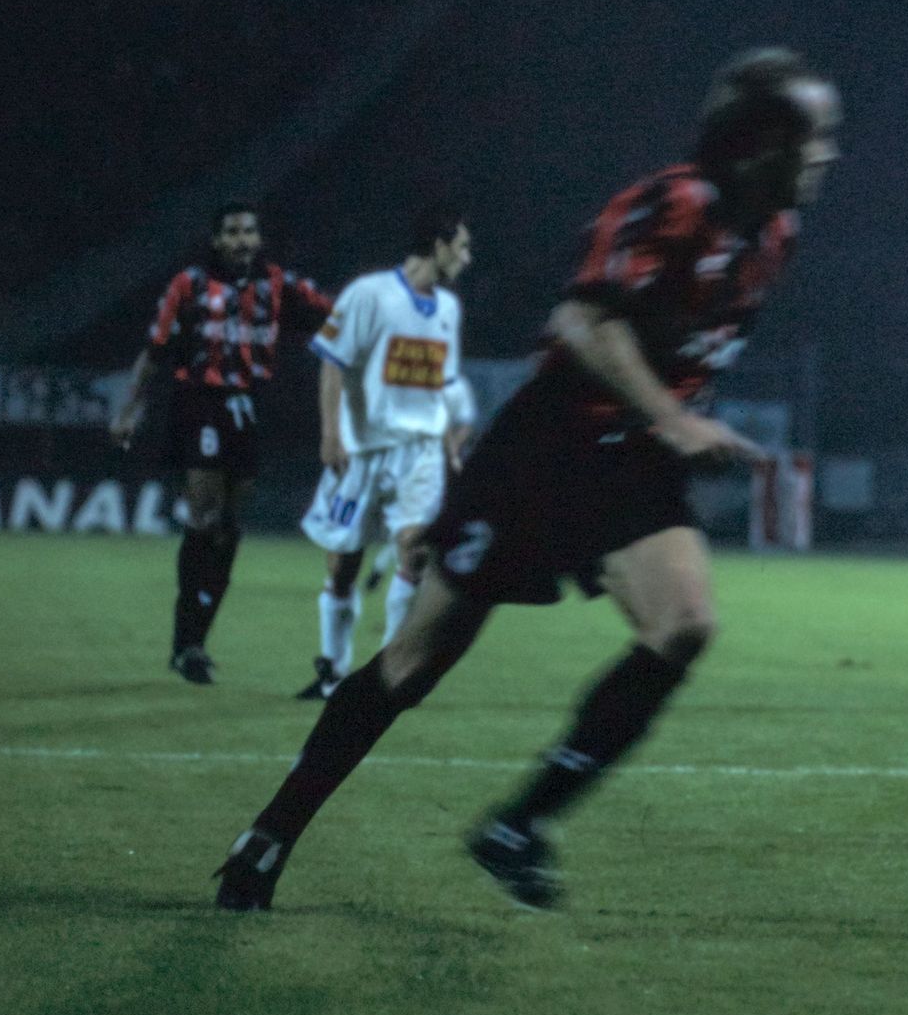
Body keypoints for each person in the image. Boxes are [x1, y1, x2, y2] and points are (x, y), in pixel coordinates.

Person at [213, 47, 841, 911]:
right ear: (760, 141)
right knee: (414, 663)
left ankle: (520, 826)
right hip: (548, 449)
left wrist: (664, 421)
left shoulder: (775, 235)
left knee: (684, 623)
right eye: (816, 136)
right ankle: (269, 833)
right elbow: (582, 323)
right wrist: (673, 412)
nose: (826, 155)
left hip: (630, 460)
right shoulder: (670, 203)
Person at [108, 203, 331, 684]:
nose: (242, 240)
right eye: (232, 232)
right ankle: (187, 641)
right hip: (199, 403)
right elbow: (154, 352)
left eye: (249, 231)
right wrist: (129, 409)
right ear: (216, 240)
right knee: (205, 516)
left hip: (250, 406)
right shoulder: (187, 285)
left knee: (230, 527)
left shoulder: (279, 285)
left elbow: (335, 315)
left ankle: (197, 641)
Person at [294, 209, 476, 701]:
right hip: (363, 449)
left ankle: (390, 673)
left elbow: (440, 384)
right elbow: (332, 365)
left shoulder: (448, 309)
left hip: (419, 451)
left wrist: (447, 446)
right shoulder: (370, 294)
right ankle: (332, 669)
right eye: (461, 246)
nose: (467, 257)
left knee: (415, 552)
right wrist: (332, 434)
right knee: (344, 565)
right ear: (437, 244)